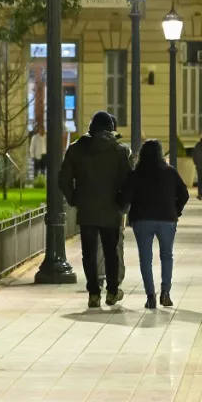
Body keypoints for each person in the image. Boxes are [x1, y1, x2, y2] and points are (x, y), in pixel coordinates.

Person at [59, 111, 132, 309]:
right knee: (111, 252)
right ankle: (112, 290)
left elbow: (63, 178)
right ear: (111, 129)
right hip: (112, 210)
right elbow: (129, 183)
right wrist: (122, 205)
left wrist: (74, 198)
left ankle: (93, 293)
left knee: (89, 253)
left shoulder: (76, 149)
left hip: (87, 210)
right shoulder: (120, 151)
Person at [118, 139, 189, 309]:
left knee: (145, 259)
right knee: (167, 255)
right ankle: (166, 293)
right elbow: (184, 194)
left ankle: (150, 296)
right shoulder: (170, 173)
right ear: (160, 153)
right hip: (166, 219)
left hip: (142, 220)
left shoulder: (136, 174)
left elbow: (125, 198)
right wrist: (176, 210)